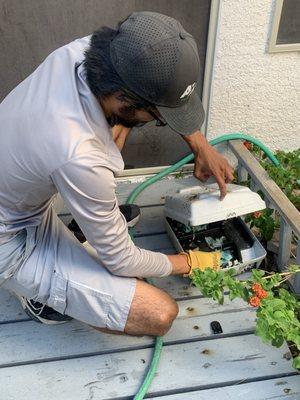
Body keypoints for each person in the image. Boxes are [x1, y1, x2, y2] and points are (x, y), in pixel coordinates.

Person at [0, 12, 233, 336]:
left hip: (21, 199)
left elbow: (135, 103)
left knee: (119, 128)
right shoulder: (79, 153)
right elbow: (122, 261)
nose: (158, 123)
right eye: (159, 117)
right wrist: (190, 262)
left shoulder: (85, 54)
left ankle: (90, 227)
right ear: (124, 98)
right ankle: (35, 294)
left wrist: (200, 145)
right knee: (157, 313)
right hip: (9, 239)